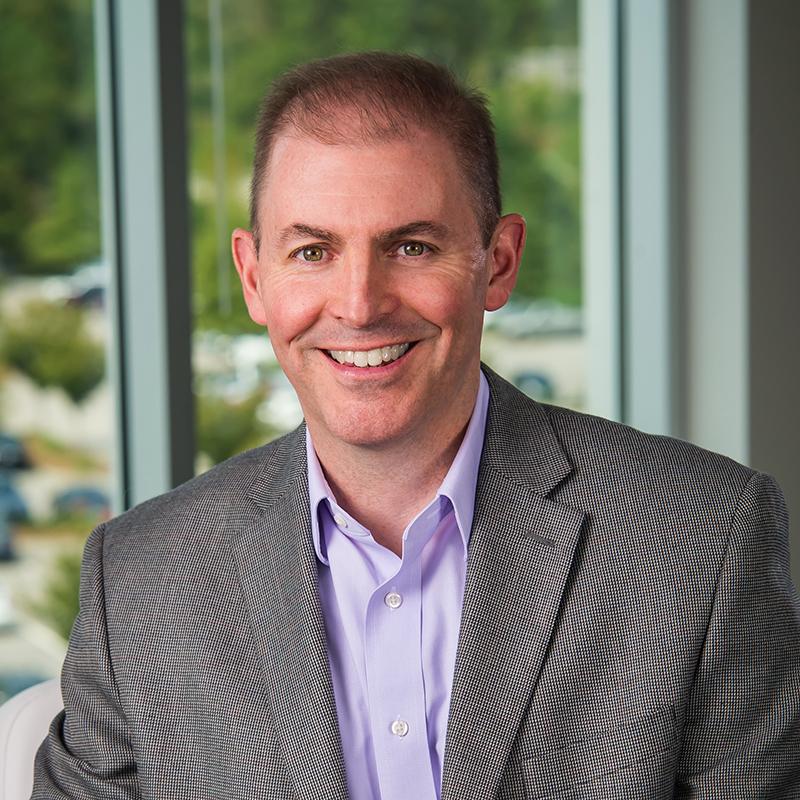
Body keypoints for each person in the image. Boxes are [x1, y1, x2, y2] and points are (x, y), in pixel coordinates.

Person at [33, 52, 799, 800]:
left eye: (411, 246)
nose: (360, 304)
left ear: (497, 263)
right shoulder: (136, 581)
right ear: (254, 277)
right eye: (313, 250)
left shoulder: (701, 537)